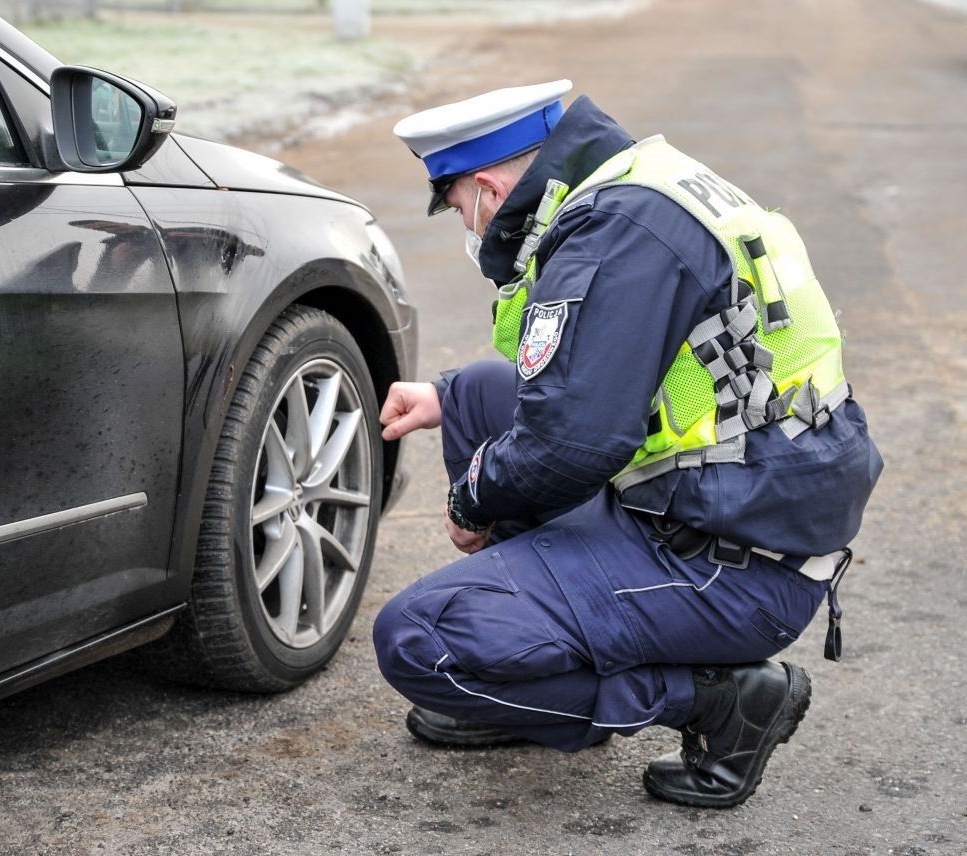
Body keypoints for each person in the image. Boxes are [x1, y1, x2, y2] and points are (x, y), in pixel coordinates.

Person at [373, 79, 883, 808]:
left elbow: (570, 446)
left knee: (421, 640)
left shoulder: (615, 237)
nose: (469, 225)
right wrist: (447, 402)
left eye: (458, 206)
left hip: (735, 563)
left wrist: (470, 497)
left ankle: (717, 699)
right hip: (739, 501)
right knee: (480, 393)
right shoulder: (638, 186)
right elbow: (586, 382)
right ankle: (530, 678)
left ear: (486, 186)